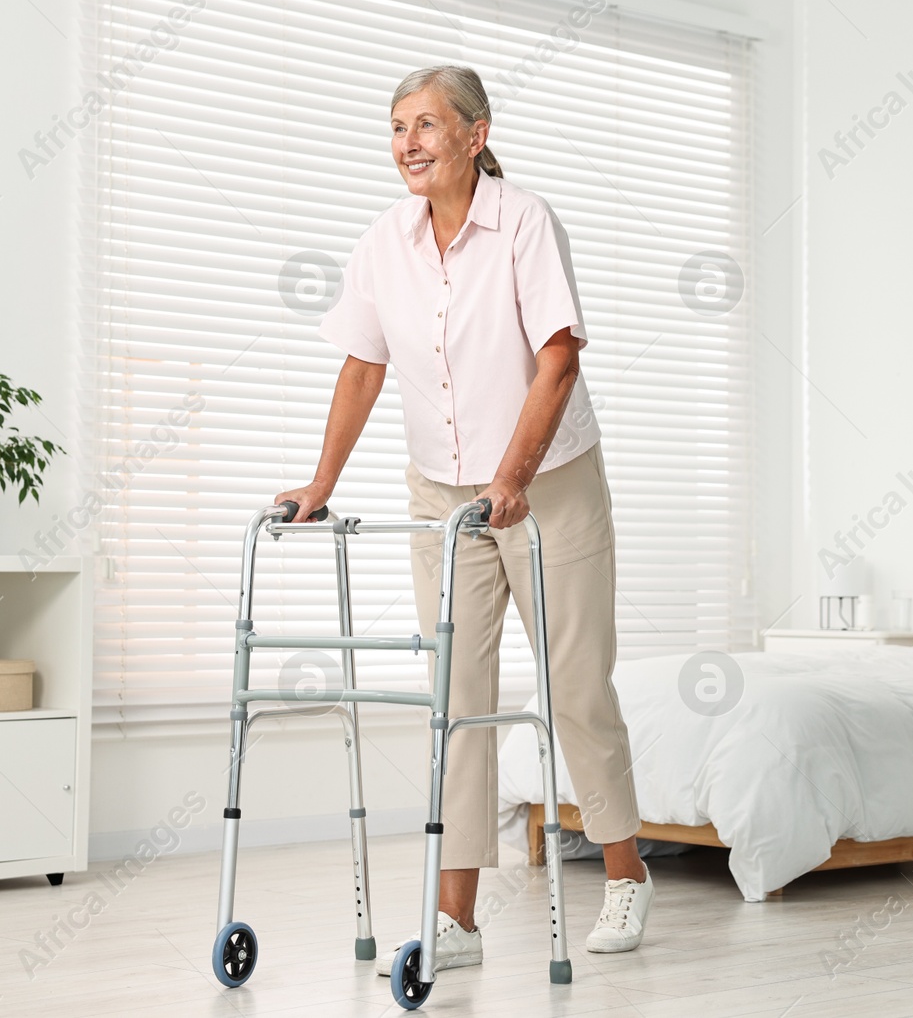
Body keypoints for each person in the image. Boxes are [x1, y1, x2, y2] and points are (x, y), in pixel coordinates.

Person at [275, 64, 651, 975]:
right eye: (396, 126)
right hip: (441, 491)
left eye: (427, 125)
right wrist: (320, 480)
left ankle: (627, 873)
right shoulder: (384, 242)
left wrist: (513, 476)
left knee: (574, 681)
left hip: (546, 480)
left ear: (475, 136)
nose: (407, 142)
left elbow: (557, 360)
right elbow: (364, 366)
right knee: (457, 696)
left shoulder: (523, 221)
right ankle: (458, 920)